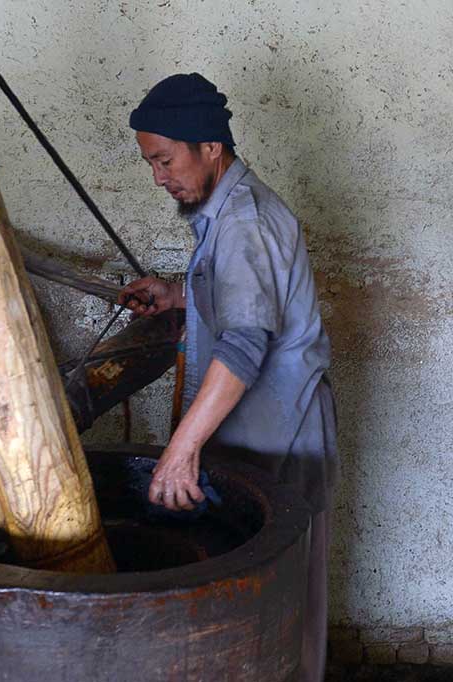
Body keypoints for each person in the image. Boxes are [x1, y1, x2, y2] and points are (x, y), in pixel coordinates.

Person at [119, 73, 337, 681]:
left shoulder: (244, 221)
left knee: (284, 599)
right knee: (258, 594)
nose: (159, 178)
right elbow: (252, 303)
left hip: (281, 432)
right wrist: (179, 293)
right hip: (259, 429)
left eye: (165, 160)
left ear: (210, 146)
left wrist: (179, 453)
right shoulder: (223, 214)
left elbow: (246, 341)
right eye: (151, 164)